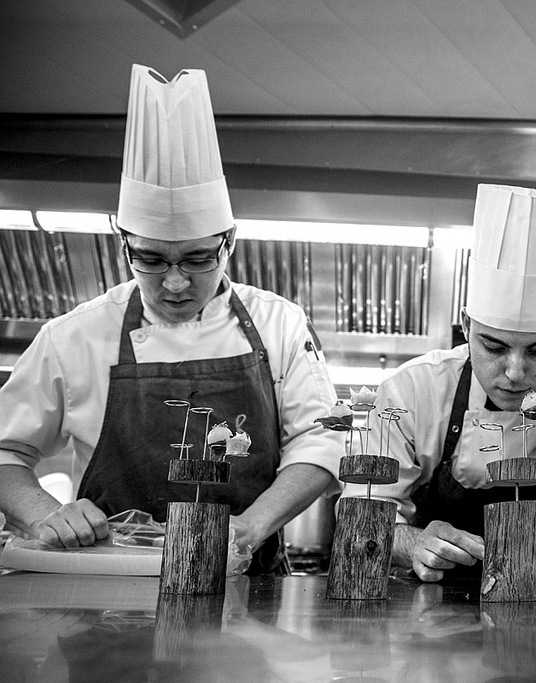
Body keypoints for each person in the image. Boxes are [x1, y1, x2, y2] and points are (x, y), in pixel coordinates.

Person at [0, 64, 342, 573]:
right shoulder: (73, 337)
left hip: (243, 580)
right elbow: (6, 449)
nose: (176, 283)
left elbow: (322, 437)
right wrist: (46, 515)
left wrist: (251, 526)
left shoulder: (280, 324)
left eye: (198, 259)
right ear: (123, 245)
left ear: (229, 242)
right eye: (152, 260)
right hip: (107, 582)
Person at [340, 184, 536, 582]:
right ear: (467, 326)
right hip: (428, 614)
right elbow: (362, 515)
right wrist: (412, 541)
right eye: (494, 347)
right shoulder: (412, 390)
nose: (516, 373)